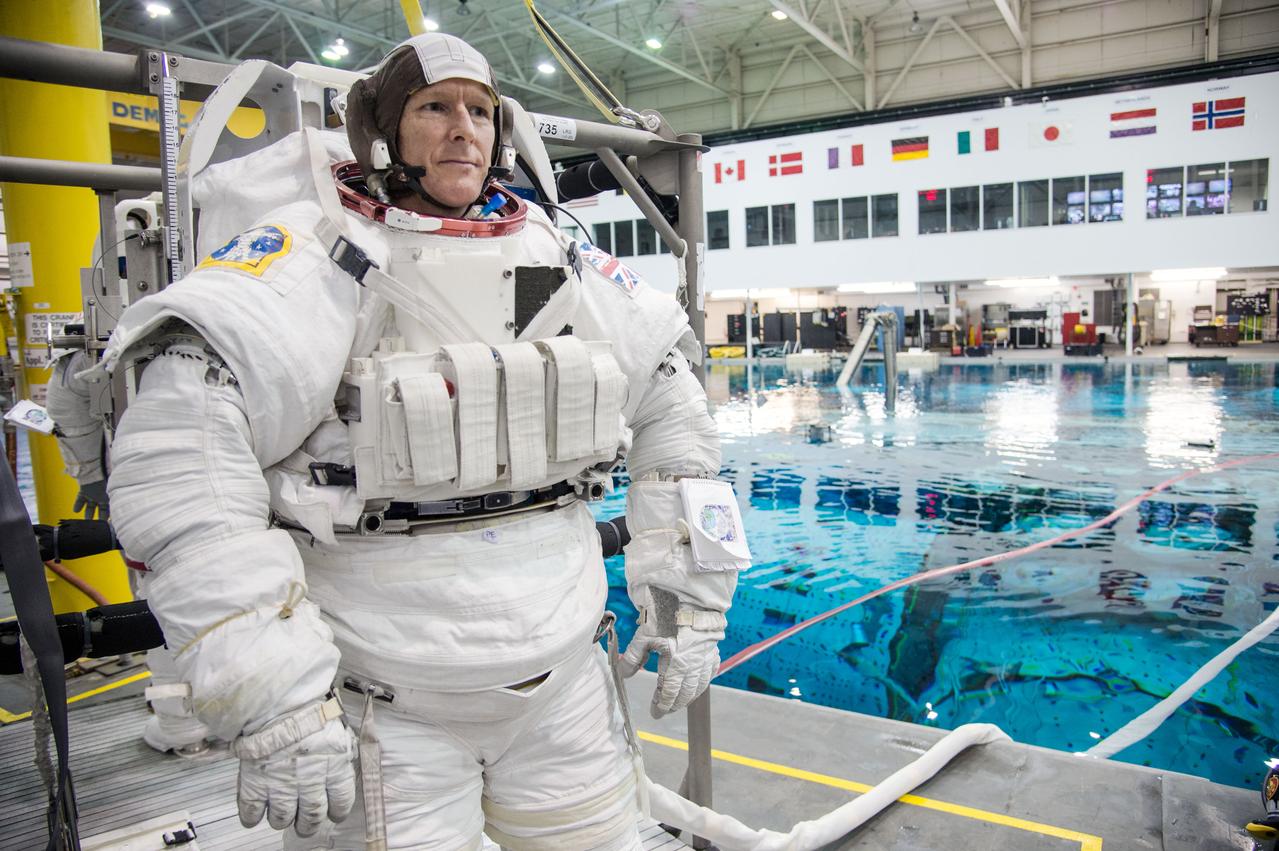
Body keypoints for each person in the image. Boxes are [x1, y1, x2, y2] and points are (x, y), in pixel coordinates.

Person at [97, 32, 745, 850]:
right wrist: (271, 693)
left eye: (479, 110)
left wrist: (690, 599)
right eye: (434, 107)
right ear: (383, 131)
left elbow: (674, 412)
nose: (461, 128)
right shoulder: (325, 252)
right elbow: (183, 458)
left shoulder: (548, 253)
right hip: (387, 715)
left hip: (566, 690)